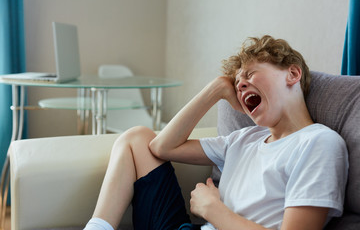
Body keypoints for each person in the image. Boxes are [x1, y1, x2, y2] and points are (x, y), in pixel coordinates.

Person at [84, 35, 348, 230]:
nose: (242, 86)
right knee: (136, 138)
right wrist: (216, 90)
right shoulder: (245, 138)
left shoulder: (318, 143)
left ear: (292, 74)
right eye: (237, 85)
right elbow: (161, 148)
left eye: (251, 74)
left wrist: (211, 209)